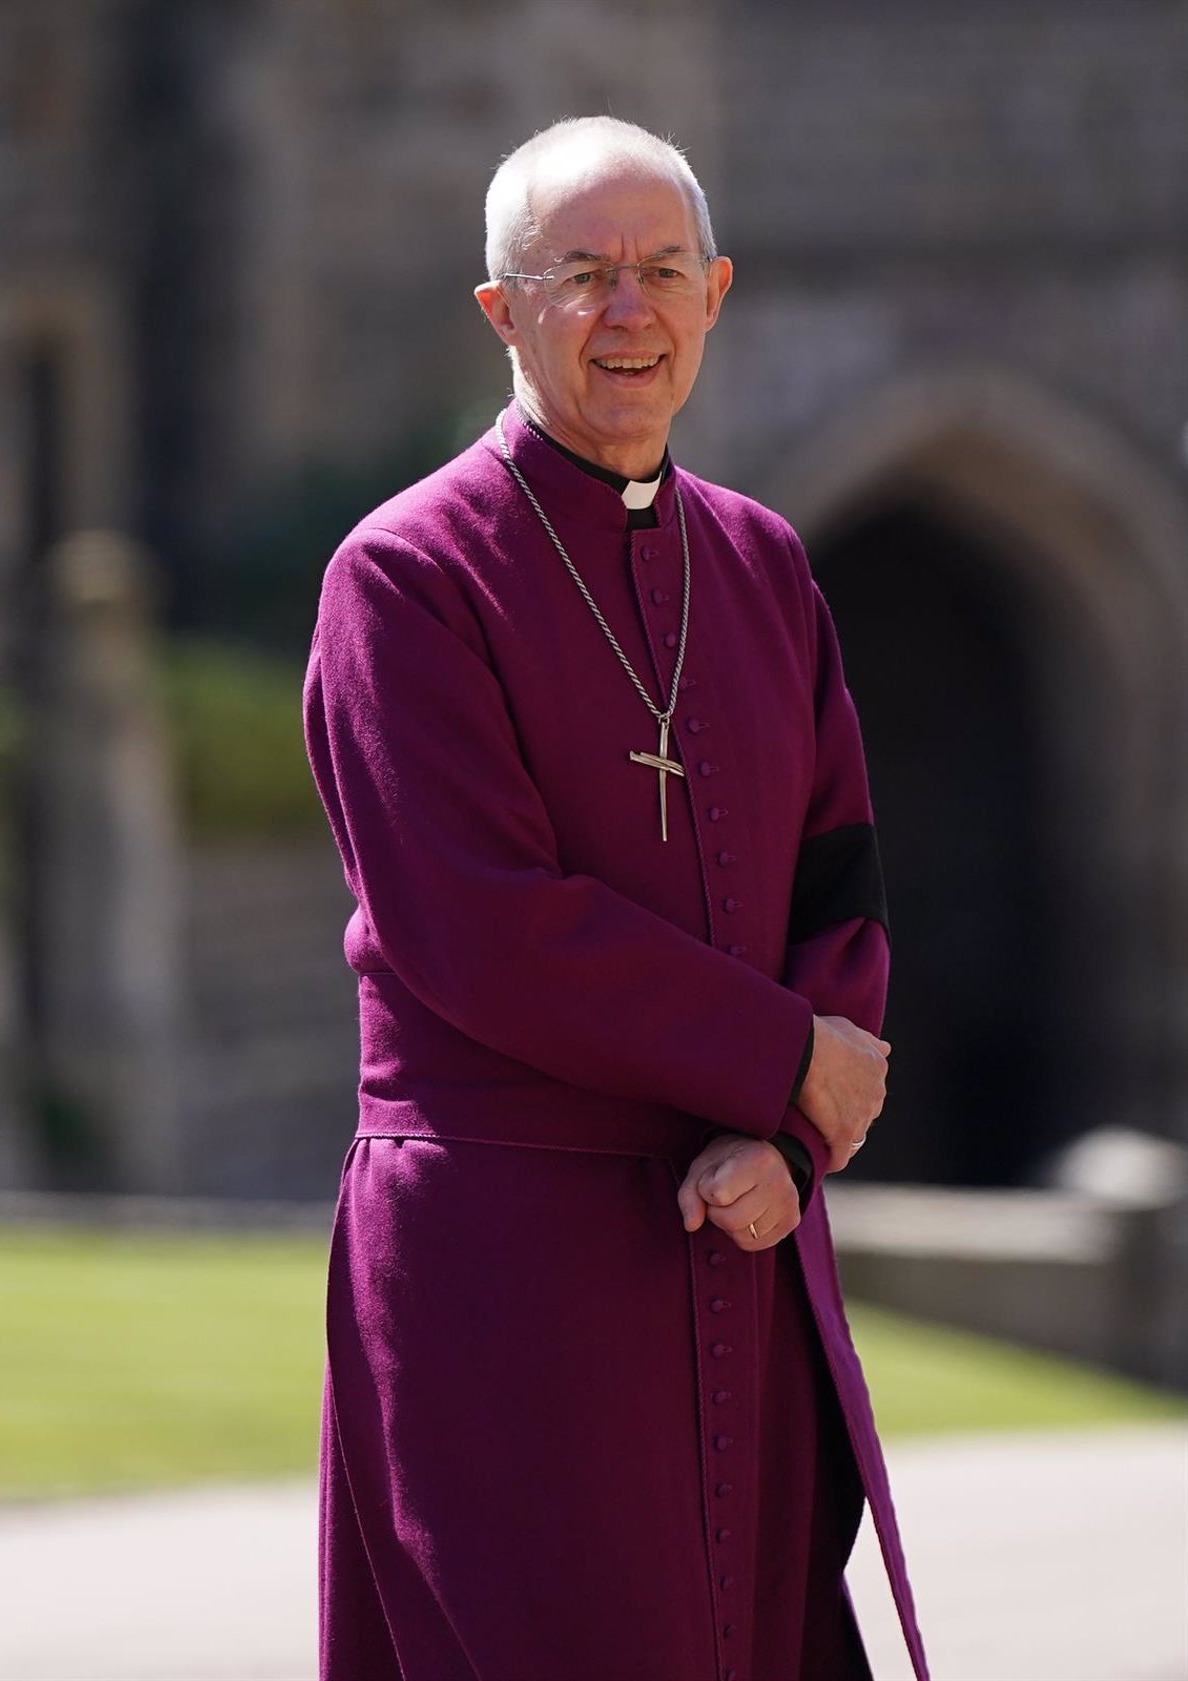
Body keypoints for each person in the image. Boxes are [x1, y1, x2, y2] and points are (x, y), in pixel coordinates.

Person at [304, 115, 928, 1681]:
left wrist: (787, 1137)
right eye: (579, 274)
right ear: (501, 309)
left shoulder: (768, 566)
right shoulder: (406, 578)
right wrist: (786, 1064)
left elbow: (838, 879)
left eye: (659, 271)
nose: (626, 311)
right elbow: (483, 924)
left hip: (738, 1233)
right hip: (511, 1271)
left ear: (716, 293)